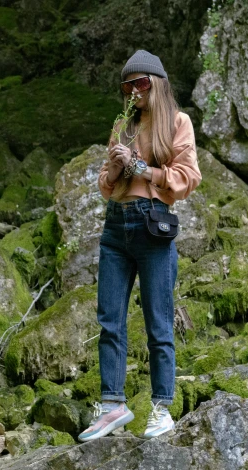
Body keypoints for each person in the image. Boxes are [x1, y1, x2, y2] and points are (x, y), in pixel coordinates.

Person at [78, 50, 202, 442]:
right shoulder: (123, 126)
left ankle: (161, 408)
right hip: (116, 227)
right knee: (109, 320)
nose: (134, 92)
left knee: (158, 322)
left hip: (153, 225)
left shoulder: (177, 123)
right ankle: (113, 405)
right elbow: (104, 185)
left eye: (141, 84)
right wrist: (115, 166)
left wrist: (141, 169)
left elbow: (188, 177)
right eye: (127, 86)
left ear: (158, 84)